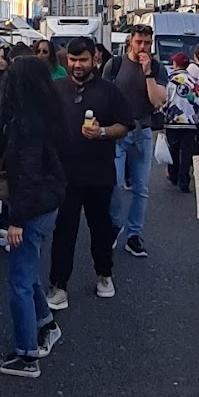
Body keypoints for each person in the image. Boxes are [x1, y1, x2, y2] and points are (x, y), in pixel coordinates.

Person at [0, 57, 68, 379]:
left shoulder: (25, 125)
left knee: (19, 282)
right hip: (48, 204)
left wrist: (15, 221)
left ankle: (26, 356)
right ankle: (45, 323)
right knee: (29, 270)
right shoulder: (49, 115)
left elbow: (27, 178)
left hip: (31, 209)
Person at [48, 37, 132, 307]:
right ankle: (59, 285)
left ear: (94, 58)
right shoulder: (57, 88)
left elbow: (125, 125)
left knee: (101, 229)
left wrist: (103, 132)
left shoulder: (109, 91)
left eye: (82, 60)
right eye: (72, 60)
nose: (77, 65)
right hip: (65, 174)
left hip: (98, 173)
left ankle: (104, 274)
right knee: (64, 231)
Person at [102, 24, 168, 257]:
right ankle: (114, 225)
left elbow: (158, 101)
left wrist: (148, 73)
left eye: (147, 43)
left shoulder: (157, 68)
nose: (143, 47)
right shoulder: (115, 64)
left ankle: (133, 235)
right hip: (118, 131)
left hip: (143, 132)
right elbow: (104, 96)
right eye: (139, 42)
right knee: (115, 184)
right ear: (130, 41)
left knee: (141, 188)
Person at [164, 52, 199, 193]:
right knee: (186, 151)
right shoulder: (195, 81)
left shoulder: (171, 80)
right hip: (191, 121)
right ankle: (184, 180)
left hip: (173, 120)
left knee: (173, 149)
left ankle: (174, 174)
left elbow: (166, 99)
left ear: (175, 64)